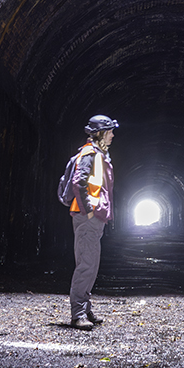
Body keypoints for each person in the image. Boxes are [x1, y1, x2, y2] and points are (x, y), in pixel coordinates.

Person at [67, 114, 117, 329]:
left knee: (91, 265)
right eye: (110, 131)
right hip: (87, 218)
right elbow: (79, 183)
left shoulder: (99, 154)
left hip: (94, 217)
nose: (113, 135)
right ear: (100, 134)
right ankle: (78, 314)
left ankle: (85, 308)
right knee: (86, 265)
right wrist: (89, 211)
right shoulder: (89, 154)